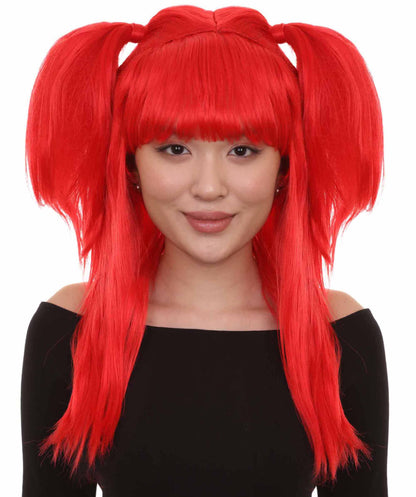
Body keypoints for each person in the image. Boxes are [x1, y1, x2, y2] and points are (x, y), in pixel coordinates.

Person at [20, 5, 389, 496]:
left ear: (285, 167)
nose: (209, 187)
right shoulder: (72, 329)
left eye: (243, 150)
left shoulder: (340, 334)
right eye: (175, 148)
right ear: (129, 162)